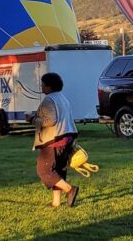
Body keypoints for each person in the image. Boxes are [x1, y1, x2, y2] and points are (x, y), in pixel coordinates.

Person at [26, 72, 79, 208]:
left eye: (43, 84)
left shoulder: (49, 100)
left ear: (49, 86)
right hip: (67, 138)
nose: (41, 86)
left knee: (44, 170)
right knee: (59, 170)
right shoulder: (62, 98)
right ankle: (56, 202)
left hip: (55, 140)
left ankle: (70, 189)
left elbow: (50, 121)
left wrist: (32, 119)